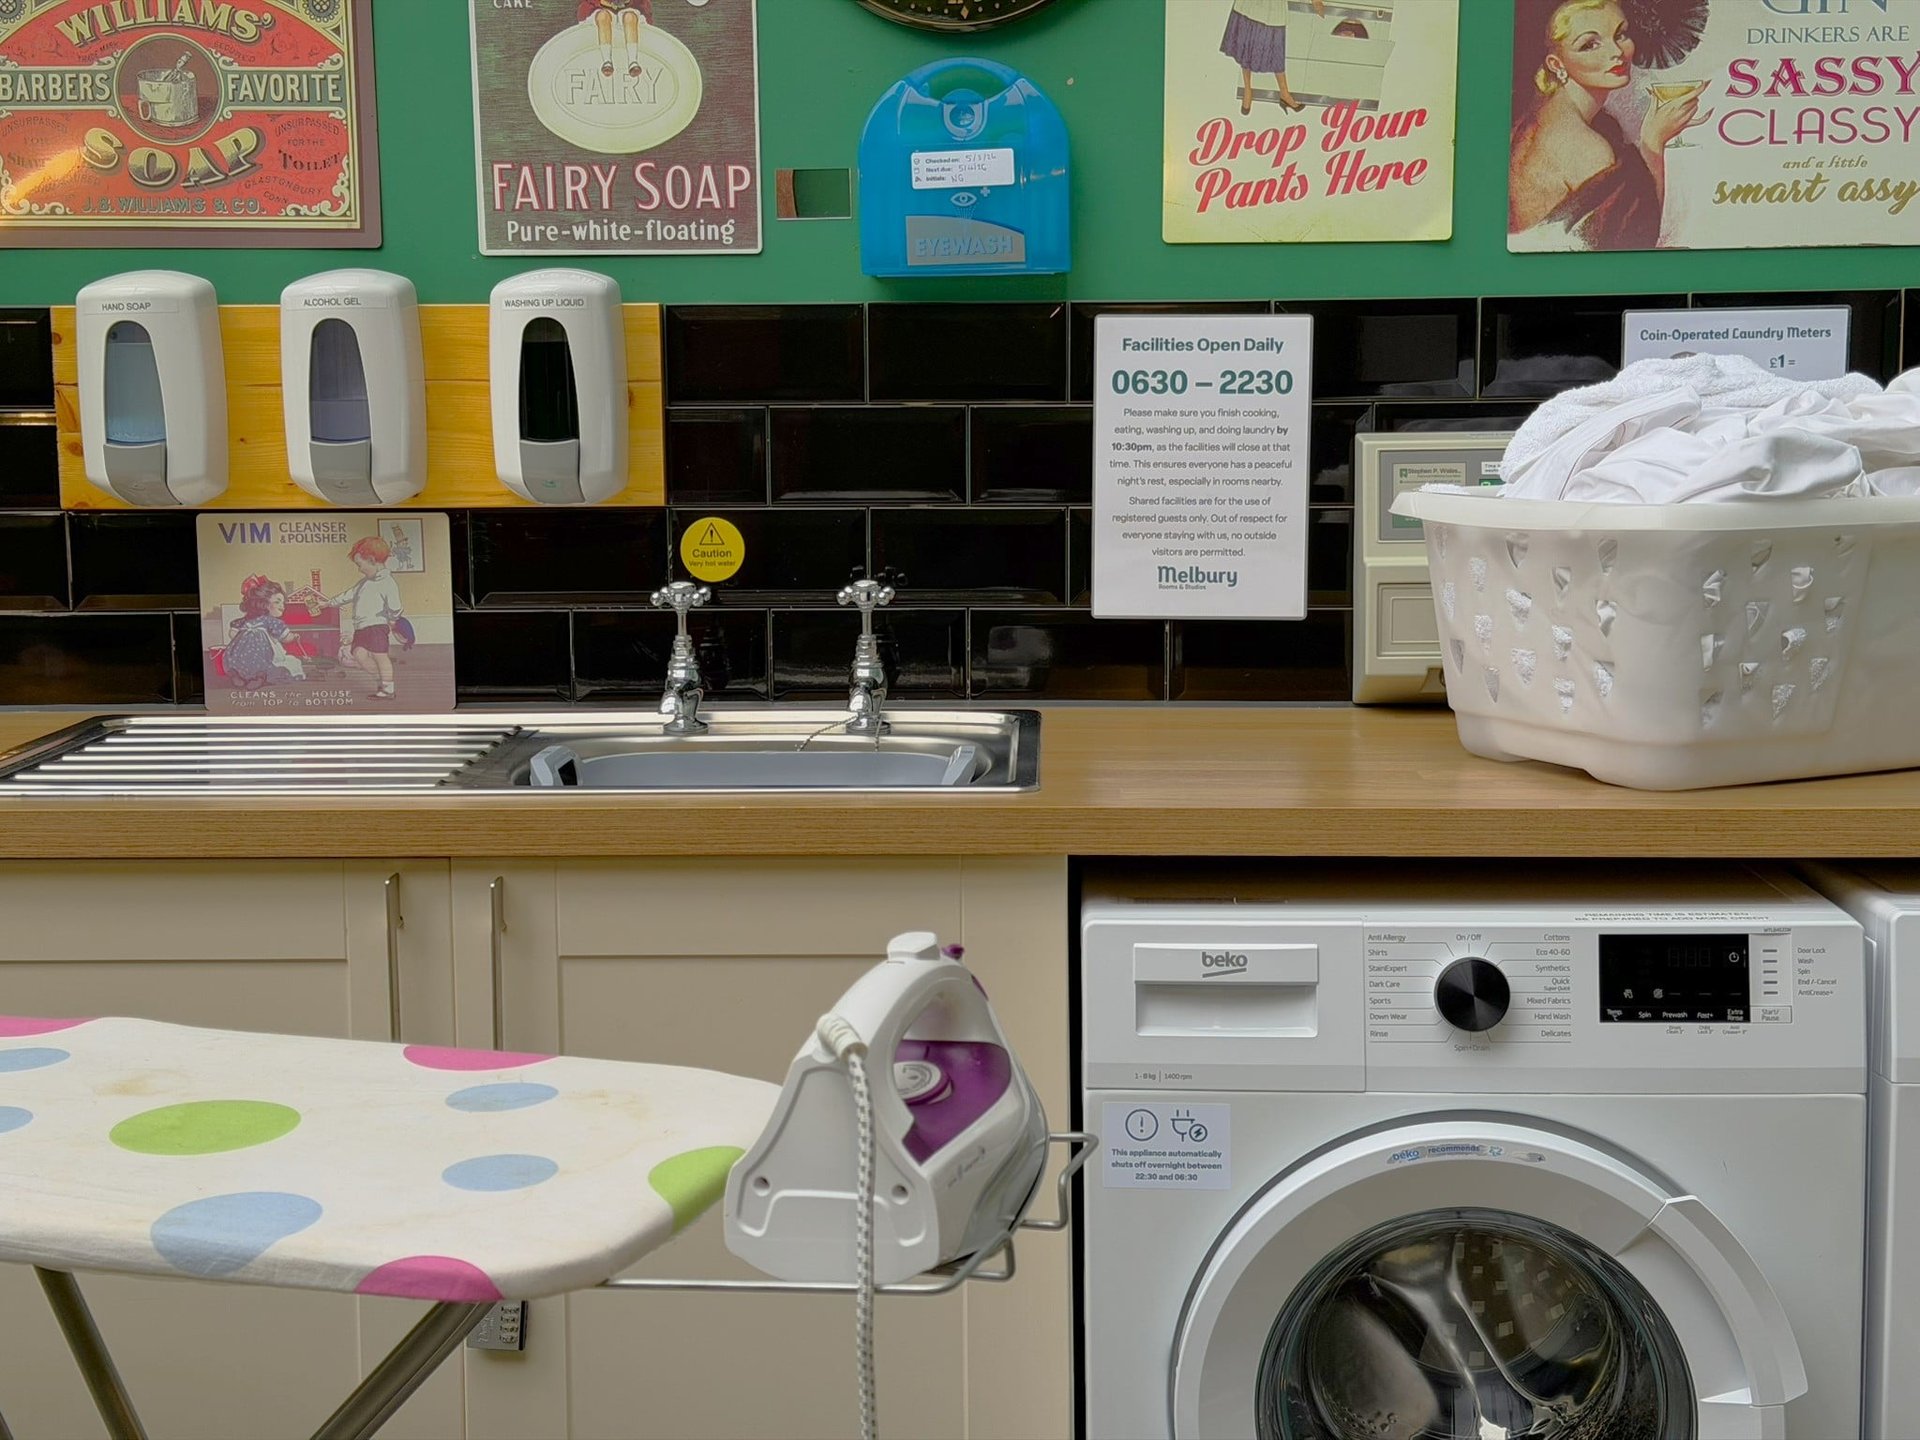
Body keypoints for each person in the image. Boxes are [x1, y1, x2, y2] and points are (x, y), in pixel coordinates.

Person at [1509, 0, 1709, 251]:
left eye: (1620, 34)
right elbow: (1633, 241)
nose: (1616, 51)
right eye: (1589, 44)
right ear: (1556, 64)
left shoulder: (1550, 115)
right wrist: (1653, 141)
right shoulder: (1584, 146)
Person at [330, 536, 406, 702]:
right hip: (361, 627)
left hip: (377, 626)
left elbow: (395, 606)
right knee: (358, 654)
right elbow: (348, 594)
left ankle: (388, 688)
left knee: (380, 656)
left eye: (360, 565)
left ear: (372, 560)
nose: (359, 569)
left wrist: (393, 619)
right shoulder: (364, 583)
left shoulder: (387, 582)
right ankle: (382, 680)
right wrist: (329, 603)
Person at [1220, 0, 1325, 116]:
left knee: (1276, 50)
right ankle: (1247, 89)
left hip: (1274, 6)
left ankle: (1284, 93)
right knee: (1247, 42)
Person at [223, 577, 311, 690]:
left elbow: (232, 632)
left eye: (283, 602)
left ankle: (238, 676)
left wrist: (242, 639)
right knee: (266, 664)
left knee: (237, 661)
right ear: (263, 603)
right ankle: (259, 678)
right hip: (261, 654)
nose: (282, 606)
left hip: (240, 656)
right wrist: (293, 637)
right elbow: (285, 637)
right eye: (277, 602)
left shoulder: (246, 620)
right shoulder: (270, 621)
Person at [579, 0, 652, 81]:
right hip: (600, 8)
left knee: (630, 17)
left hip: (628, 7)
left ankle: (633, 61)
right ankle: (607, 61)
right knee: (603, 17)